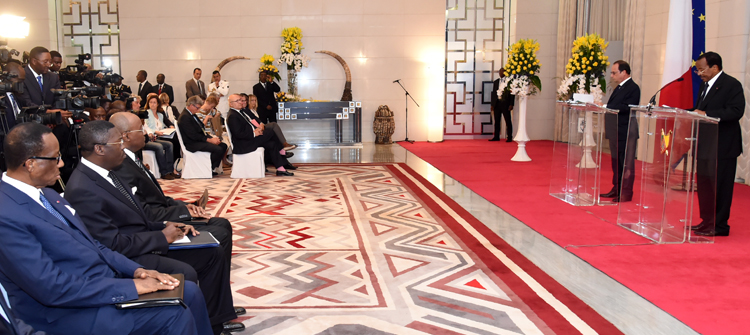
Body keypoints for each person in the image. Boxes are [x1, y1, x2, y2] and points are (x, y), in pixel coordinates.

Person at [0, 122, 213, 335]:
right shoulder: (6, 215)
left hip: (99, 285)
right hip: (65, 311)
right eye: (55, 158)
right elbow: (52, 288)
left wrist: (137, 271)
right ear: (30, 164)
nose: (62, 163)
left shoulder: (49, 195)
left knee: (189, 292)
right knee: (174, 313)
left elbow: (95, 247)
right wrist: (131, 287)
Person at [63, 121, 242, 335]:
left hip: (142, 241)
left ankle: (213, 322)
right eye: (118, 142)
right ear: (100, 148)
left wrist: (169, 225)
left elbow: (138, 215)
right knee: (188, 269)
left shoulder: (107, 173)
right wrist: (162, 237)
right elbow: (110, 244)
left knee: (211, 252)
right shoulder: (84, 187)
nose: (122, 146)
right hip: (129, 257)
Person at [690, 52, 745, 237]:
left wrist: (706, 114)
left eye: (701, 69)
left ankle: (719, 225)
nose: (699, 73)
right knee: (705, 185)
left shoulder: (732, 84)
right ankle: (706, 221)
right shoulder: (704, 86)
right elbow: (700, 109)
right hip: (705, 144)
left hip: (723, 145)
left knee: (720, 186)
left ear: (715, 67)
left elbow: (736, 111)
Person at [600, 60, 640, 203]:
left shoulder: (633, 88)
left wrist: (605, 106)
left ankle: (625, 192)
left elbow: (628, 107)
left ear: (624, 72)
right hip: (615, 130)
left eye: (614, 72)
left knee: (625, 162)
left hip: (626, 131)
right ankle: (616, 187)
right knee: (616, 161)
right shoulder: (619, 87)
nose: (611, 76)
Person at [227, 94, 294, 176]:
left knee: (272, 144)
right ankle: (281, 151)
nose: (240, 102)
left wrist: (256, 130)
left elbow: (250, 124)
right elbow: (238, 134)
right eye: (237, 101)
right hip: (244, 144)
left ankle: (281, 169)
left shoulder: (241, 111)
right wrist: (254, 133)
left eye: (240, 100)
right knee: (270, 131)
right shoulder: (232, 116)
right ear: (231, 104)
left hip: (249, 139)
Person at [178, 95, 227, 174]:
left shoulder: (192, 115)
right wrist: (209, 140)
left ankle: (210, 168)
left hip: (198, 140)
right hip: (192, 143)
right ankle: (207, 168)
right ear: (191, 105)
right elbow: (193, 135)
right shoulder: (185, 117)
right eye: (197, 108)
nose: (198, 110)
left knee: (223, 145)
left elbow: (201, 129)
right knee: (218, 149)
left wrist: (212, 138)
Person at [143, 94, 179, 179]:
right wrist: (155, 132)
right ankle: (164, 172)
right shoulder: (146, 113)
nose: (152, 104)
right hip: (150, 137)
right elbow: (146, 127)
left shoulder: (160, 115)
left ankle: (170, 170)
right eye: (151, 102)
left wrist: (168, 129)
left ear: (158, 104)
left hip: (158, 136)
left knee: (170, 144)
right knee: (159, 146)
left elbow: (162, 126)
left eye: (154, 102)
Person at [490, 68, 515, 142]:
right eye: (500, 71)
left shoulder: (509, 82)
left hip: (505, 104)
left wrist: (511, 104)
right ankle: (496, 136)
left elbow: (512, 94)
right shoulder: (496, 82)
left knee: (507, 120)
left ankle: (509, 137)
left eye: (502, 71)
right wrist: (492, 104)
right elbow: (493, 94)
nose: (501, 73)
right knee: (497, 121)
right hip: (497, 104)